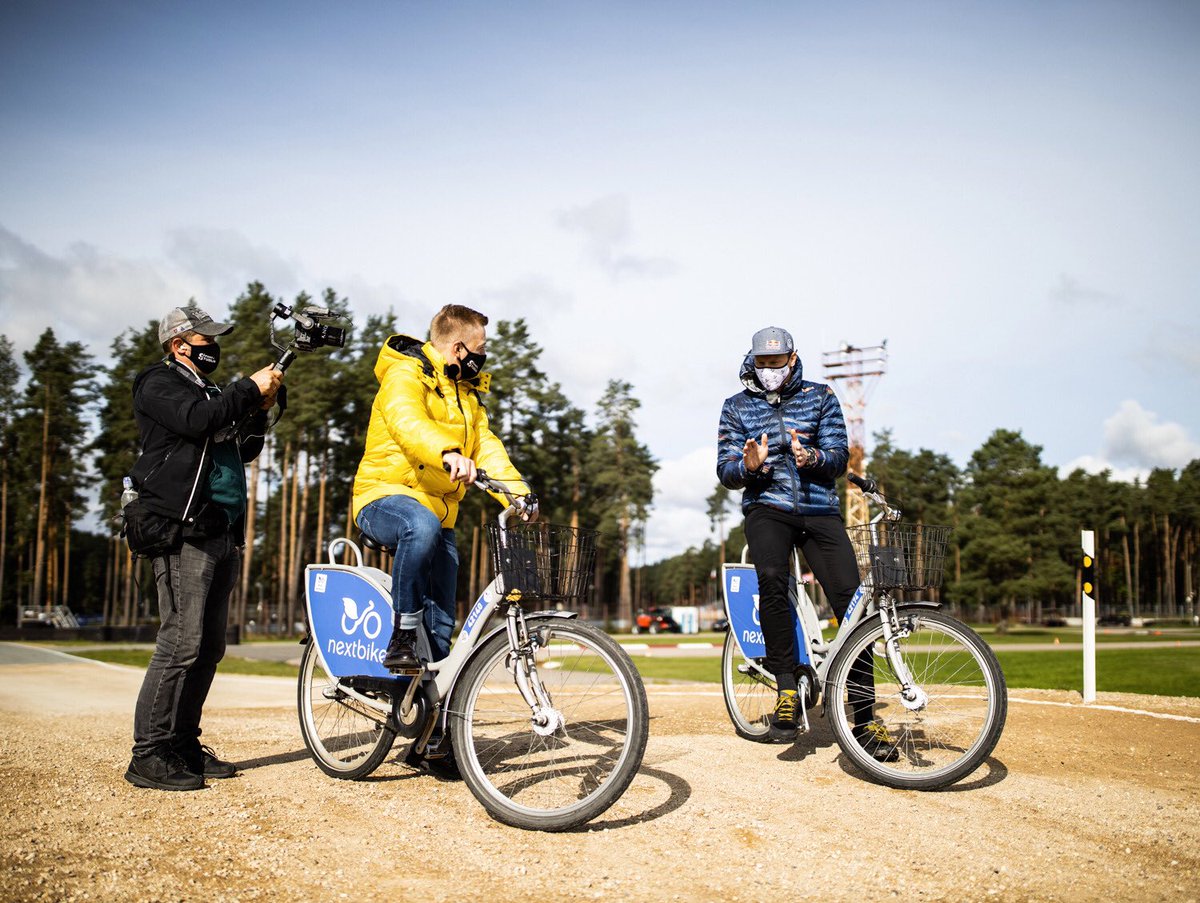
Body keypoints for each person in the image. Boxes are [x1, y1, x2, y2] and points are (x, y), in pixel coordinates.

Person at [351, 304, 531, 774]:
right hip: (384, 498)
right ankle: (402, 633)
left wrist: (519, 494)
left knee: (445, 627)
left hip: (437, 517)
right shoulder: (404, 376)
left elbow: (487, 446)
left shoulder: (466, 395)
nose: (485, 356)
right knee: (421, 526)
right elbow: (409, 424)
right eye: (482, 348)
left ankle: (429, 739)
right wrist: (447, 452)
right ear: (459, 348)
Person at [716, 326, 896, 759]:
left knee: (853, 604)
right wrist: (749, 465)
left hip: (819, 510)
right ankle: (785, 691)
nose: (769, 371)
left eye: (777, 363)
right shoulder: (736, 407)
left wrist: (811, 457)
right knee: (773, 580)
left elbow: (838, 457)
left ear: (793, 359)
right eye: (762, 364)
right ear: (753, 361)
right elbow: (724, 471)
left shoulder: (821, 397)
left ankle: (865, 716)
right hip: (768, 509)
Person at [124, 305, 284, 792]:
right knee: (181, 641)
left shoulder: (211, 392)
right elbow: (195, 422)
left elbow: (243, 446)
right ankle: (149, 753)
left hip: (222, 527)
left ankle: (183, 744)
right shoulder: (157, 382)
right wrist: (246, 390)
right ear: (179, 344)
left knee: (209, 646)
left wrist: (257, 409)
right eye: (205, 339)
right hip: (181, 528)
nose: (213, 346)